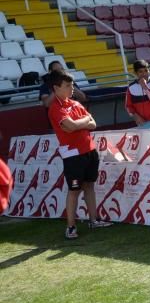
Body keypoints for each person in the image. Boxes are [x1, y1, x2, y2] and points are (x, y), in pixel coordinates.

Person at [46, 68, 112, 239]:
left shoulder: (75, 104)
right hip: (73, 157)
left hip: (89, 151)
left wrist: (77, 123)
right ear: (56, 88)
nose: (71, 88)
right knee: (74, 190)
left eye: (72, 85)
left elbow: (93, 123)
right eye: (67, 85)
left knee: (89, 185)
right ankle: (71, 227)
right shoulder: (55, 108)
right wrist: (82, 122)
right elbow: (73, 126)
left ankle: (94, 220)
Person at [124, 60, 150, 129]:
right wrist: (135, 116)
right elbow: (128, 106)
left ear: (149, 70)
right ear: (135, 73)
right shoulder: (131, 87)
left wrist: (145, 87)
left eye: (146, 70)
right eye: (140, 71)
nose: (144, 74)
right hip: (143, 124)